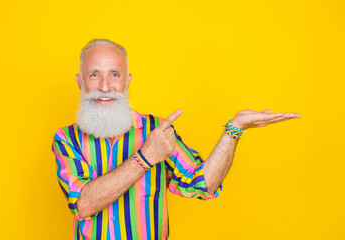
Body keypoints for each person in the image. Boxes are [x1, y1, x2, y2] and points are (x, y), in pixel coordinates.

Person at [51, 39, 300, 240]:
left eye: (114, 74)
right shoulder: (66, 139)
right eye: (94, 75)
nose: (105, 86)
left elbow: (204, 185)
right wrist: (145, 157)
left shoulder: (157, 130)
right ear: (80, 81)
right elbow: (83, 205)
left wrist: (233, 130)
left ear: (127, 81)